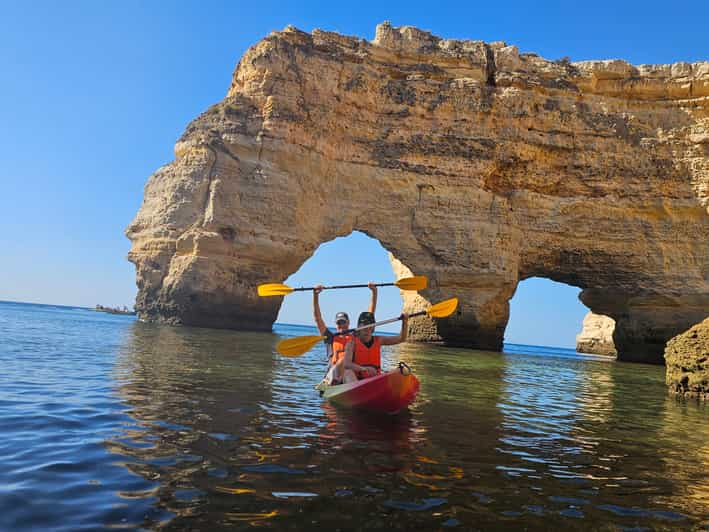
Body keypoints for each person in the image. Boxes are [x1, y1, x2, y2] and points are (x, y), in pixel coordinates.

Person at [313, 282, 377, 384]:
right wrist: (315, 295)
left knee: (347, 366)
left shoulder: (356, 335)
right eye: (339, 323)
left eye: (344, 322)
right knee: (343, 360)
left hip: (347, 375)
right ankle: (332, 379)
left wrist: (374, 292)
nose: (341, 325)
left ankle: (353, 387)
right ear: (335, 324)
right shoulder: (330, 337)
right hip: (332, 375)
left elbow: (369, 318)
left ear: (348, 323)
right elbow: (318, 318)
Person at [341, 310, 408, 383]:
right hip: (357, 381)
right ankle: (356, 392)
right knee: (348, 373)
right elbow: (346, 364)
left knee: (401, 370)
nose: (367, 330)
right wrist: (363, 369)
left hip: (374, 379)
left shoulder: (379, 340)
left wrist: (404, 322)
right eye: (364, 326)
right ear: (359, 327)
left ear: (373, 328)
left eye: (369, 326)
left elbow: (401, 338)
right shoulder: (351, 344)